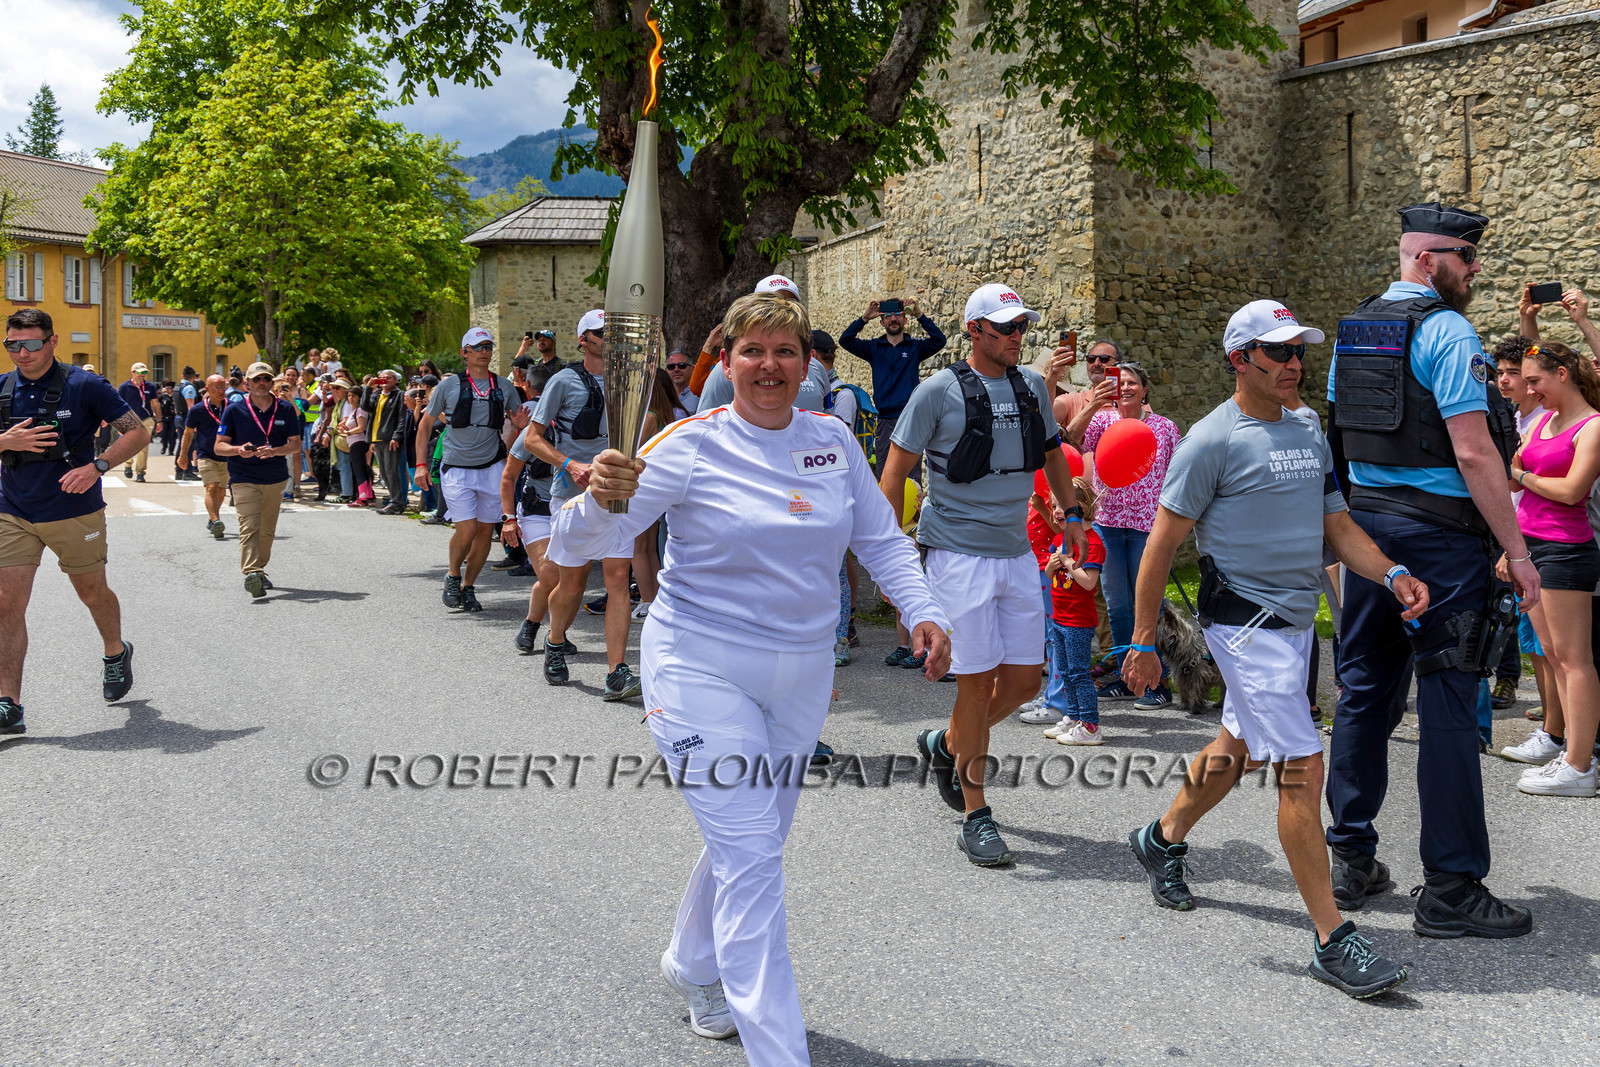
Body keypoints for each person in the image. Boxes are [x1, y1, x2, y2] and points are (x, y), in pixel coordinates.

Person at [554, 291, 951, 1061]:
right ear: (727, 361)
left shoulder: (831, 439)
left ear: (807, 363)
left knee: (752, 839)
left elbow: (880, 538)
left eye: (785, 351)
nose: (770, 365)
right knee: (754, 856)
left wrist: (924, 608)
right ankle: (779, 1051)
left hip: (799, 673)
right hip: (698, 665)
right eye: (753, 351)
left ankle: (692, 962)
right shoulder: (689, 443)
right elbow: (578, 544)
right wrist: (598, 498)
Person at [1120, 298, 1421, 1000]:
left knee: (1239, 746)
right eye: (1279, 351)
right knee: (1302, 767)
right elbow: (1160, 546)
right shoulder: (1210, 440)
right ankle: (1331, 937)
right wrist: (1142, 641)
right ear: (1240, 359)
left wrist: (1392, 573)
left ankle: (1162, 837)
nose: (1294, 364)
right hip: (1243, 624)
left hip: (1293, 622)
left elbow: (1336, 525)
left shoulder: (1308, 428)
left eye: (1299, 351)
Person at [1325, 201, 1537, 938]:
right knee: (1448, 699)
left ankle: (1350, 857)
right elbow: (1474, 452)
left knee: (1363, 690)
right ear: (1427, 259)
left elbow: (1339, 438)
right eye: (1464, 257)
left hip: (1369, 533)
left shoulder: (1355, 329)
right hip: (1440, 539)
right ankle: (1450, 884)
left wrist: (1347, 529)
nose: (1474, 269)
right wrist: (1517, 551)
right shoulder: (1448, 331)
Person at [881, 282, 1086, 867]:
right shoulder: (936, 392)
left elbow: (1051, 452)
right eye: (1006, 327)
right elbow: (894, 473)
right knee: (974, 686)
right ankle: (976, 813)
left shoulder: (1032, 387)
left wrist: (1072, 513)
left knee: (1023, 683)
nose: (1018, 336)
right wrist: (892, 560)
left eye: (1022, 325)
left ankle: (947, 743)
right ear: (975, 330)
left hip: (1015, 552)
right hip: (956, 556)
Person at [0, 308, 145, 733]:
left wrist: (97, 467)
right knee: (6, 604)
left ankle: (115, 650)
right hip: (13, 510)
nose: (22, 353)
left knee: (91, 591)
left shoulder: (84, 385)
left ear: (52, 341)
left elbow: (137, 432)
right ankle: (9, 703)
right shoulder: (2, 387)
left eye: (31, 343)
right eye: (12, 345)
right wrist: (5, 440)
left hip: (74, 508)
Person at [1502, 341, 1600, 796]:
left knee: (1574, 660)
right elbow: (1514, 482)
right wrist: (1512, 548)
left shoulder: (1592, 426)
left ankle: (1580, 766)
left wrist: (1523, 476)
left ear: (1562, 374)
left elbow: (1571, 491)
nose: (1529, 390)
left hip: (1565, 550)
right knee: (1551, 653)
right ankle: (1571, 753)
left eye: (1535, 381)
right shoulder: (1542, 420)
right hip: (1532, 547)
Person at [527, 309, 642, 698]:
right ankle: (555, 640)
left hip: (617, 492)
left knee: (618, 579)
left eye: (613, 332)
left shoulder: (628, 379)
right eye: (601, 332)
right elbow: (532, 439)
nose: (609, 339)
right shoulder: (563, 381)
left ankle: (616, 671)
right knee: (571, 583)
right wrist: (570, 464)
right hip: (572, 495)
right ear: (583, 339)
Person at [1082, 362, 1182, 709]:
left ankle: (1159, 682)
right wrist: (1094, 404)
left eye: (1132, 383)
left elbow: (1177, 473)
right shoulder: (1101, 422)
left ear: (1144, 390)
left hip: (1147, 527)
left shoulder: (1165, 428)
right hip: (1108, 523)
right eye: (1120, 382)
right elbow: (1071, 440)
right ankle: (1129, 679)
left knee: (1149, 604)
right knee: (1119, 605)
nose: (1125, 388)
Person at [414, 328, 526, 613]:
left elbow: (520, 422)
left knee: (485, 532)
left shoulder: (504, 386)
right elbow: (425, 425)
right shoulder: (448, 386)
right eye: (478, 347)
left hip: (491, 467)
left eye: (488, 346)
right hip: (457, 468)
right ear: (464, 352)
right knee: (467, 529)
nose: (484, 351)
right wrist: (421, 465)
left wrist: (521, 424)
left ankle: (469, 586)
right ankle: (453, 575)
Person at [1492, 335, 1549, 723]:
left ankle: (1559, 723)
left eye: (1513, 373)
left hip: (1533, 538)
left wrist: (1514, 547)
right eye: (1499, 372)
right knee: (1527, 634)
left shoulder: (1543, 422)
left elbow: (1523, 489)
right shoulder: (1508, 417)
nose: (1504, 379)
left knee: (1549, 643)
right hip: (1510, 534)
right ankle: (1553, 717)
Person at [214, 362, 302, 598]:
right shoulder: (234, 410)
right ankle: (252, 571)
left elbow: (296, 444)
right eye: (257, 379)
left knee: (267, 530)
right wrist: (238, 449)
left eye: (266, 379)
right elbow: (219, 446)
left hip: (275, 478)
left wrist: (275, 451)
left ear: (272, 382)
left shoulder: (285, 408)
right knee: (249, 526)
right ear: (247, 384)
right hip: (243, 476)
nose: (262, 383)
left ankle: (259, 571)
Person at [838, 295, 949, 475]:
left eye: (898, 315)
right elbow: (845, 340)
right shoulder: (874, 348)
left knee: (911, 476)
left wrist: (919, 314)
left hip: (910, 420)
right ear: (882, 322)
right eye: (888, 316)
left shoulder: (914, 347)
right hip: (884, 422)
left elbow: (939, 340)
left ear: (905, 319)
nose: (893, 319)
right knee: (885, 475)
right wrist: (864, 318)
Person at [1043, 478, 1107, 744]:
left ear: (1082, 507)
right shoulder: (1059, 539)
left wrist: (1068, 562)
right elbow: (1050, 575)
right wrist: (1052, 565)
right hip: (1059, 618)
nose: (1056, 511)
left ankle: (1090, 726)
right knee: (1066, 672)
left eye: (1062, 505)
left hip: (1078, 621)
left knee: (1079, 673)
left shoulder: (1093, 543)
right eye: (1053, 506)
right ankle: (1074, 716)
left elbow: (1089, 582)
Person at [175, 374, 232, 539]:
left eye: (223, 387)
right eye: (217, 387)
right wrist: (183, 455)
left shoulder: (232, 407)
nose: (221, 391)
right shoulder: (197, 410)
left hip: (227, 455)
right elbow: (188, 433)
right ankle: (216, 521)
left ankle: (212, 518)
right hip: (206, 455)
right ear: (207, 389)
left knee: (221, 490)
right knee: (211, 487)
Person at [368, 370, 409, 514]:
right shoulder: (376, 395)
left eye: (389, 378)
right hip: (377, 438)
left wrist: (396, 436)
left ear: (395, 380)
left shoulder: (399, 395)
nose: (385, 380)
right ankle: (395, 501)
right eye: (382, 378)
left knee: (391, 471)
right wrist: (368, 388)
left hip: (390, 439)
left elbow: (402, 417)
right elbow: (365, 407)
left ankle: (397, 503)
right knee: (384, 473)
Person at [117, 361, 160, 482]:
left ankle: (140, 472)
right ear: (133, 373)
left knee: (144, 447)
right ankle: (128, 464)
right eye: (140, 372)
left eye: (145, 372)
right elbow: (118, 405)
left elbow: (155, 404)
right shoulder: (124, 387)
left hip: (146, 419)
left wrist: (159, 420)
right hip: (129, 420)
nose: (142, 375)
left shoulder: (150, 386)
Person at [174, 367, 201, 481]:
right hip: (186, 417)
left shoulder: (177, 387)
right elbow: (191, 406)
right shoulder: (189, 388)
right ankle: (187, 470)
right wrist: (194, 422)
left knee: (182, 444)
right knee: (189, 444)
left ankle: (179, 470)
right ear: (194, 376)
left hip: (179, 416)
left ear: (182, 375)